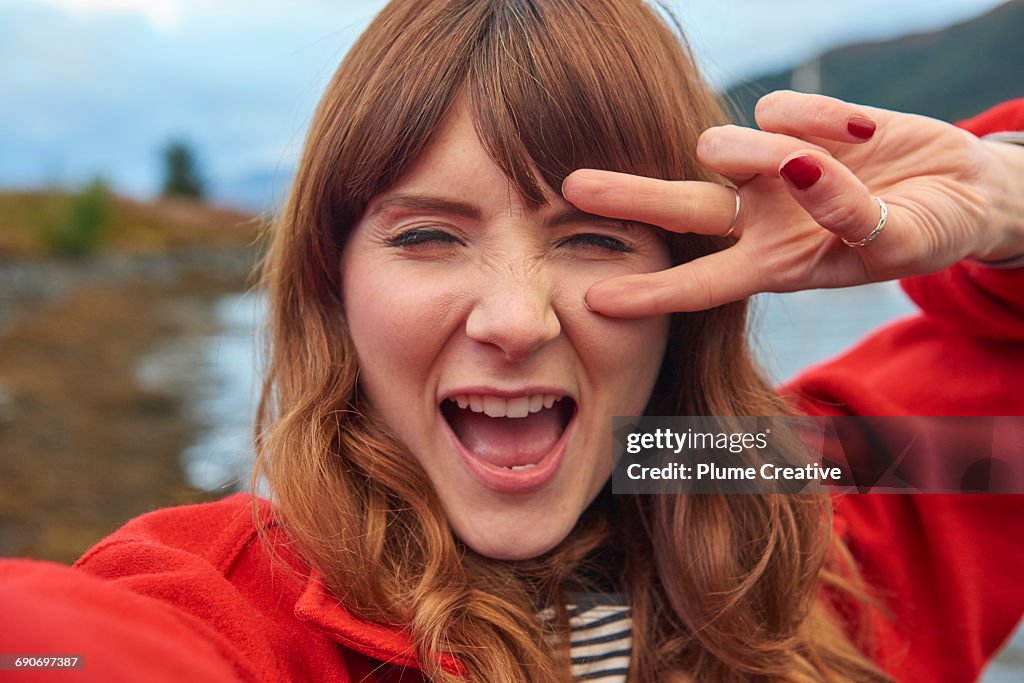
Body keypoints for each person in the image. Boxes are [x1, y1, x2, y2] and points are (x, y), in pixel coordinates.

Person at [2, 1, 1023, 681]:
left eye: (593, 239)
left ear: (693, 285)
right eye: (429, 235)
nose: (514, 319)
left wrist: (1006, 202)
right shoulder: (234, 599)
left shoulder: (809, 496)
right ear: (333, 278)